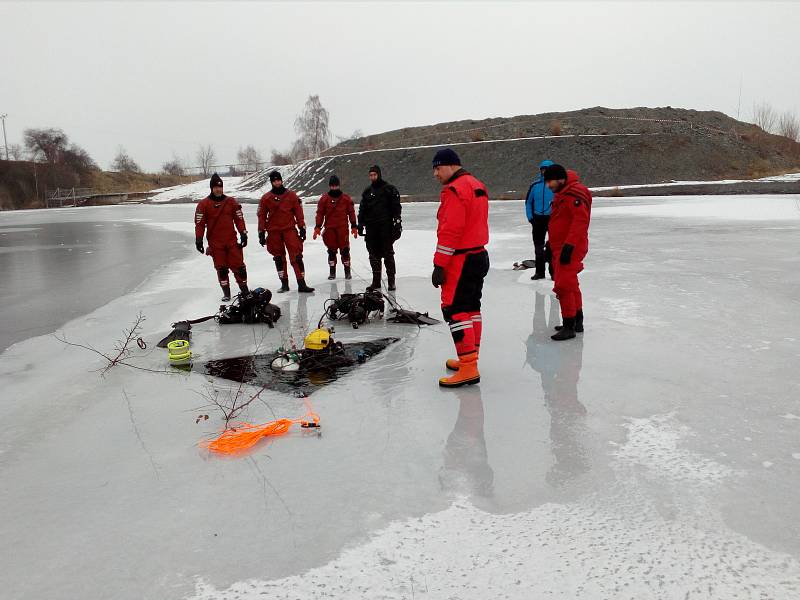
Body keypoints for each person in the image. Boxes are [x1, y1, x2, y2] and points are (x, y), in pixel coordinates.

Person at [431, 148, 489, 388]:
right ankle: (470, 359)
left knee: (455, 310)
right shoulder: (476, 184)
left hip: (460, 259)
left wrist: (439, 265)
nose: (435, 173)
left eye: (437, 168)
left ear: (451, 165)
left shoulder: (454, 191)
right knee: (472, 308)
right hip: (479, 255)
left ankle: (468, 367)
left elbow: (450, 230)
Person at [542, 164, 592, 341]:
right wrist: (550, 245)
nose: (548, 185)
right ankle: (577, 321)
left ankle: (569, 325)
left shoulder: (574, 194)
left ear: (560, 179)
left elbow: (580, 221)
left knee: (563, 286)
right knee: (571, 285)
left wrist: (569, 246)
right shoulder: (563, 193)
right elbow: (559, 221)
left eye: (550, 181)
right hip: (560, 246)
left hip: (570, 248)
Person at [194, 173, 249, 301]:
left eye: (220, 187)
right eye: (215, 187)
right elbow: (199, 224)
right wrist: (199, 240)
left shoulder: (231, 202)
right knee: (222, 269)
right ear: (211, 188)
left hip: (231, 241)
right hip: (216, 244)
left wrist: (243, 233)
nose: (218, 189)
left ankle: (245, 290)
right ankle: (226, 293)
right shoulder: (203, 204)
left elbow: (239, 219)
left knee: (240, 267)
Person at [257, 170, 314, 293]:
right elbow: (261, 216)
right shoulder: (266, 198)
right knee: (278, 258)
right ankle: (284, 284)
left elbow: (299, 213)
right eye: (275, 181)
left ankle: (302, 283)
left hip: (289, 230)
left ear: (282, 180)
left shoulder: (292, 196)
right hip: (274, 232)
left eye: (279, 180)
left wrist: (302, 228)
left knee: (297, 257)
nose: (277, 182)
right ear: (272, 182)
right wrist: (261, 232)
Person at [358, 165, 402, 291]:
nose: (372, 177)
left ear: (379, 174)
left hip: (385, 227)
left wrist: (397, 223)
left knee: (388, 255)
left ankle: (391, 282)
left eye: (374, 175)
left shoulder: (389, 189)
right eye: (370, 175)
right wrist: (360, 224)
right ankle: (376, 281)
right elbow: (362, 209)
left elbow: (396, 208)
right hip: (371, 229)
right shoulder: (367, 192)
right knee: (373, 255)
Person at [313, 175, 358, 280]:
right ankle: (332, 272)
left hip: (343, 229)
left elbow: (351, 212)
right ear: (329, 186)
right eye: (332, 186)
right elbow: (320, 213)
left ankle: (347, 272)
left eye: (336, 186)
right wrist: (318, 227)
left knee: (345, 250)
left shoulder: (346, 198)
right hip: (330, 229)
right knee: (331, 251)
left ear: (339, 185)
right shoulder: (324, 199)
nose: (334, 188)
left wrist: (354, 226)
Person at [524, 159, 555, 280]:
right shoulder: (534, 185)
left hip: (552, 219)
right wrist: (530, 218)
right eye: (543, 169)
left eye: (547, 169)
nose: (544, 171)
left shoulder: (555, 186)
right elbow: (528, 203)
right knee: (538, 247)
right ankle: (540, 272)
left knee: (552, 247)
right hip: (537, 220)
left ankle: (554, 272)